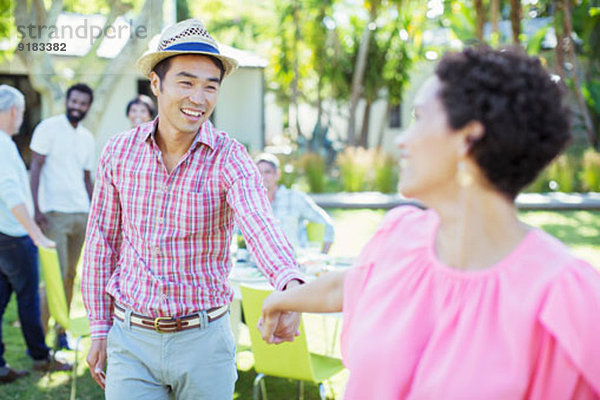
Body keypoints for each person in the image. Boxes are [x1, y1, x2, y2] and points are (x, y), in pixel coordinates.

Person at [259, 46, 600, 398]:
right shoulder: (399, 235)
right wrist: (282, 300)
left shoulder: (564, 299)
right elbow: (351, 285)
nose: (403, 140)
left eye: (419, 117)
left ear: (468, 138)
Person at [81, 19, 304, 399]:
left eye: (210, 86)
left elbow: (259, 222)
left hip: (205, 342)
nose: (198, 98)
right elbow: (102, 241)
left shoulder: (229, 158)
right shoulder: (119, 152)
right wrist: (100, 327)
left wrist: (290, 283)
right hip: (131, 342)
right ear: (156, 84)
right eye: (186, 82)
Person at [0, 85, 71, 385]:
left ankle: (0, 366)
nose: (21, 118)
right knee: (28, 300)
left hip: (5, 235)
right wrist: (35, 235)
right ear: (14, 111)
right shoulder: (3, 144)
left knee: (1, 301)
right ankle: (41, 358)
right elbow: (10, 193)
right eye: (22, 112)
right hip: (15, 236)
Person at [29, 82, 95, 349]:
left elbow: (87, 178)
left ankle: (61, 333)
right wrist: (36, 208)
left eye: (82, 103)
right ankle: (40, 341)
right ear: (67, 101)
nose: (77, 107)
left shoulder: (87, 137)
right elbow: (35, 167)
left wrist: (96, 213)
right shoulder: (48, 128)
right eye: (74, 101)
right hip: (54, 214)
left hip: (81, 213)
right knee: (53, 276)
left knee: (69, 276)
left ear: (88, 106)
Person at [255, 153, 335, 254]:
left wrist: (322, 256)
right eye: (258, 173)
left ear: (277, 175)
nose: (262, 177)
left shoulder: (295, 198)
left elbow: (327, 224)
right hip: (260, 263)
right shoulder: (252, 204)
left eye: (267, 172)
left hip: (293, 263)